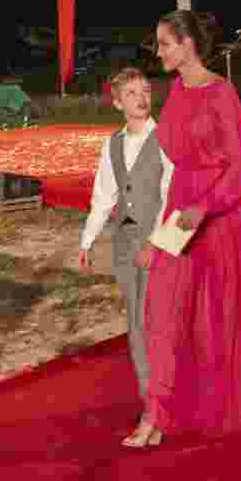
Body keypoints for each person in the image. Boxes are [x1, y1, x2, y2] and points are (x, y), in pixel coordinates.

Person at [136, 10, 241, 446]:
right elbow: (174, 174)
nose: (159, 51)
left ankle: (202, 409)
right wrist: (159, 233)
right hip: (179, 218)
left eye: (164, 43)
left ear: (187, 44)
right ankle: (161, 411)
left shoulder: (222, 93)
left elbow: (240, 166)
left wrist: (205, 208)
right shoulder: (176, 92)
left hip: (219, 223)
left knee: (215, 322)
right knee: (165, 315)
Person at [79, 67, 174, 445]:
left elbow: (173, 195)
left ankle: (158, 412)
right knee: (136, 327)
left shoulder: (166, 138)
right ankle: (152, 408)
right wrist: (87, 241)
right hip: (125, 243)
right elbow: (104, 196)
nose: (141, 97)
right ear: (117, 102)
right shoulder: (113, 144)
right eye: (132, 93)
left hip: (159, 244)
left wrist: (159, 241)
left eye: (146, 90)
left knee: (158, 327)